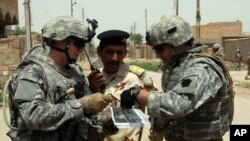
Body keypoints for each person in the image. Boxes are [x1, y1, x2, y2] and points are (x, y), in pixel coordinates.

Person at [120, 15, 233, 141]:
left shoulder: (201, 69)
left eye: (160, 49)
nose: (157, 55)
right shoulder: (175, 67)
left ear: (177, 43)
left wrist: (137, 94)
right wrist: (158, 128)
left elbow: (178, 104)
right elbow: (169, 103)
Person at [6, 16, 113, 141]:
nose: (82, 49)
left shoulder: (75, 72)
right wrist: (81, 105)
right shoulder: (32, 72)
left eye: (84, 44)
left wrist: (95, 96)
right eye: (78, 44)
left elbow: (82, 115)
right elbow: (32, 116)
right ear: (60, 41)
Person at [87, 30, 157, 141]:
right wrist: (92, 90)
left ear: (125, 53)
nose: (114, 58)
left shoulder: (139, 79)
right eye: (109, 52)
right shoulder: (92, 79)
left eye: (119, 53)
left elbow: (158, 115)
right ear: (99, 52)